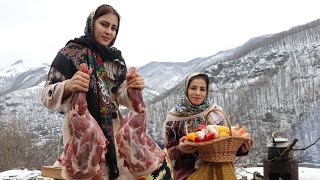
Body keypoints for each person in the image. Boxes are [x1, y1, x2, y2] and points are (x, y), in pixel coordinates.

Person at [41, 4, 168, 180]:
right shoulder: (70, 54)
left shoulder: (115, 60)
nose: (109, 31)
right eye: (104, 24)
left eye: (114, 28)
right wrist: (68, 85)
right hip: (84, 136)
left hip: (114, 137)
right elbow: (46, 95)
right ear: (92, 24)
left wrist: (132, 89)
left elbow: (120, 96)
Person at [164, 72, 254, 180]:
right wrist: (180, 149)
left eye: (202, 89)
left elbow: (225, 147)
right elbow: (166, 155)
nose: (198, 93)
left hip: (218, 166)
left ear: (206, 92)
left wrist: (242, 149)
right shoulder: (174, 119)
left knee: (222, 164)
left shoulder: (216, 114)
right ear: (186, 89)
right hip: (187, 173)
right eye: (193, 88)